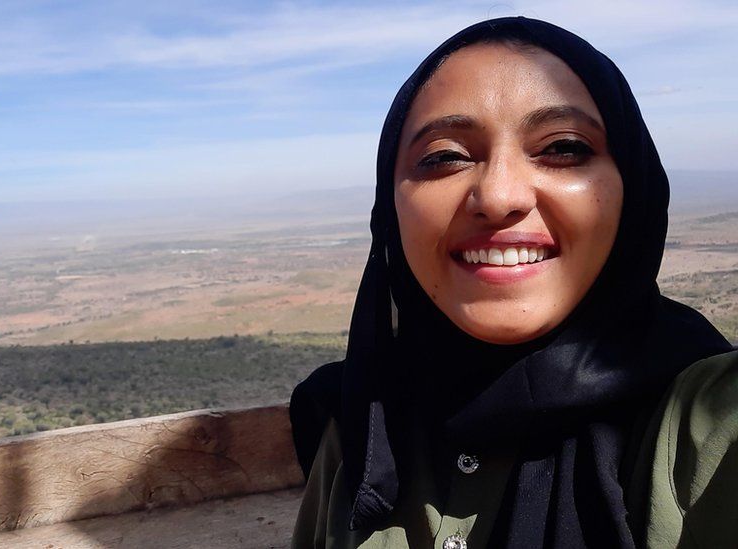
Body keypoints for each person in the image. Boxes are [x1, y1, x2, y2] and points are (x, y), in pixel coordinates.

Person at [289, 16, 737, 549]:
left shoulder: (707, 423)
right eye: (444, 157)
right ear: (391, 208)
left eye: (564, 147)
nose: (500, 196)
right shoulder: (361, 421)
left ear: (633, 189)